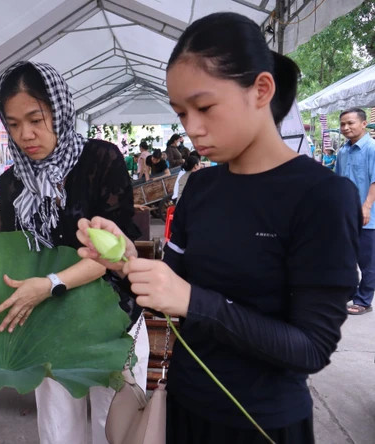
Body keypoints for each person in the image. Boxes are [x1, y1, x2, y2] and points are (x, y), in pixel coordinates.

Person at [76, 12, 359, 444]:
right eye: (181, 112)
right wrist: (124, 261)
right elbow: (173, 287)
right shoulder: (202, 187)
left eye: (204, 107)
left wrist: (195, 301)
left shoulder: (322, 195)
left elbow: (311, 348)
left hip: (262, 421)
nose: (192, 128)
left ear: (261, 90)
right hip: (185, 404)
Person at [0, 61, 149, 444]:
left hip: (112, 318)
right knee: (60, 431)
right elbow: (17, 254)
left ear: (59, 111)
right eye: (13, 124)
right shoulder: (11, 183)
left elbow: (111, 254)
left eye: (35, 119)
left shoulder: (100, 161)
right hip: (50, 324)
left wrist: (50, 283)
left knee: (116, 425)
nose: (25, 134)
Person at [336, 107, 375, 315]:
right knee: (345, 257)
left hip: (368, 217)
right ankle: (350, 292)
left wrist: (367, 206)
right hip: (346, 215)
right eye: (343, 124)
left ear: (363, 123)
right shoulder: (343, 151)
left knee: (368, 261)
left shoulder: (372, 148)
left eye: (350, 123)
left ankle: (364, 300)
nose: (346, 127)